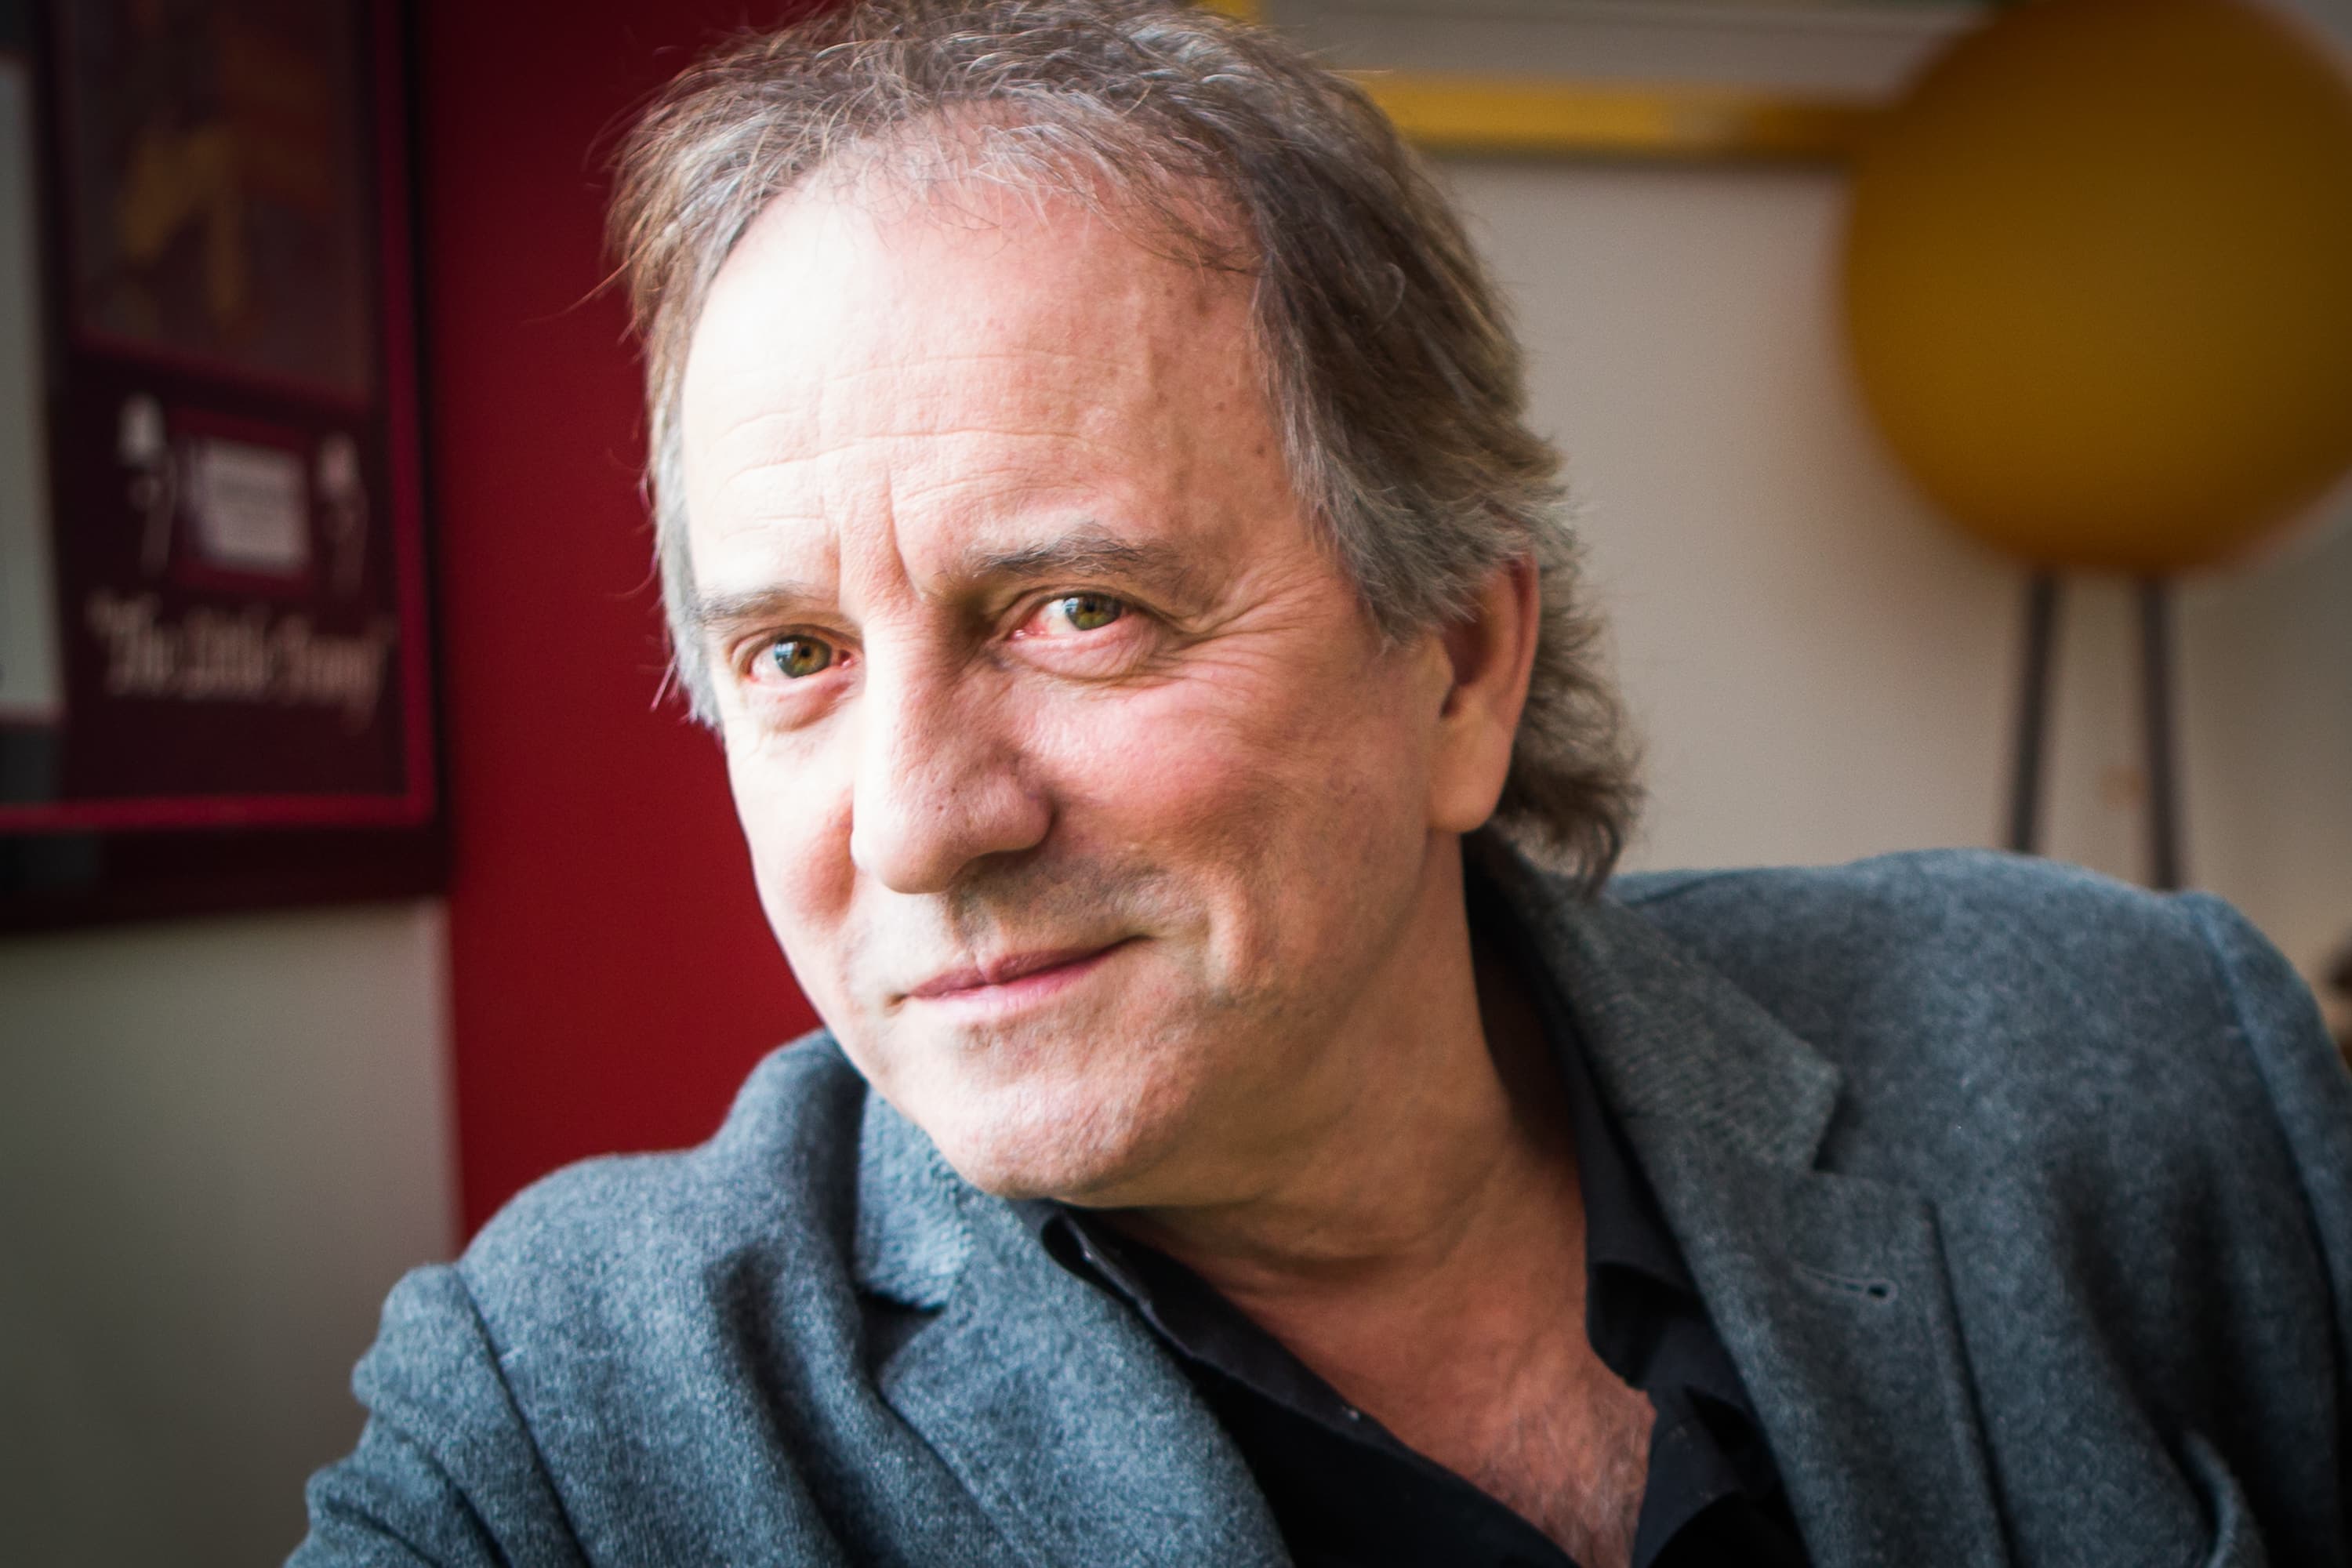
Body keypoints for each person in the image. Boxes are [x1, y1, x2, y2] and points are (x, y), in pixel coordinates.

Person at [294, 3, 2352, 1564]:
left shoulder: (2145, 1061)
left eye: (1076, 610)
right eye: (796, 658)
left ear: (1457, 665)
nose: (917, 825)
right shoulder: (563, 1426)